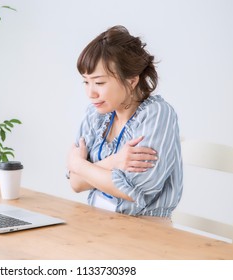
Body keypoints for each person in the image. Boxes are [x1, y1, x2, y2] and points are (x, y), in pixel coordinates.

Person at [66, 25, 183, 223]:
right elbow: (75, 183)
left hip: (144, 230)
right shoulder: (96, 114)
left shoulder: (157, 114)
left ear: (131, 81)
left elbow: (136, 190)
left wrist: (79, 164)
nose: (90, 93)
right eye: (86, 82)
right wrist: (114, 162)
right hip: (97, 224)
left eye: (99, 83)